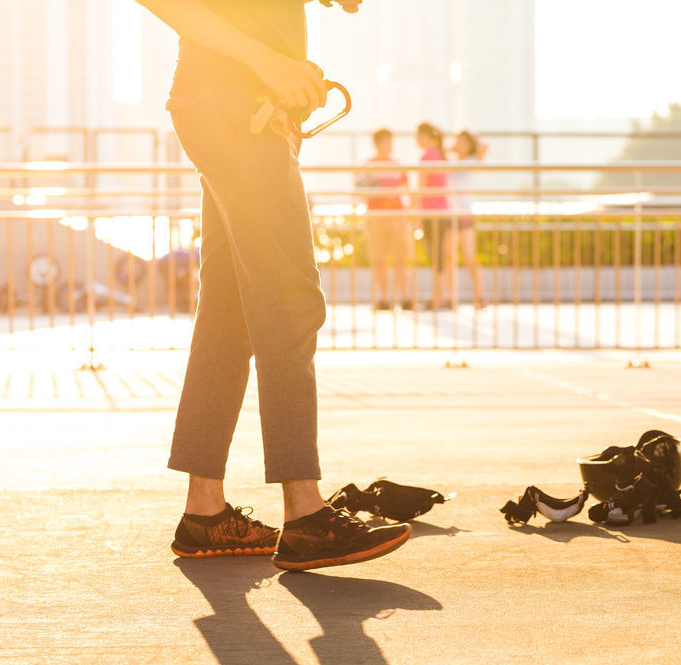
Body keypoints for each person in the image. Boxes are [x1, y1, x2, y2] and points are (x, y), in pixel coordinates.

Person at [136, 0, 411, 571]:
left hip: (237, 108)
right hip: (239, 106)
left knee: (229, 315)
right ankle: (306, 516)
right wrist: (270, 62)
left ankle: (204, 512)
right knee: (289, 304)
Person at [359, 128, 411, 310]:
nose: (390, 145)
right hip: (376, 218)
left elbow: (406, 189)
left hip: (396, 217)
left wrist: (406, 216)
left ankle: (405, 298)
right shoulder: (368, 165)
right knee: (379, 260)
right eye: (387, 141)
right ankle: (384, 299)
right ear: (378, 143)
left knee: (401, 259)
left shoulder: (398, 164)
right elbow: (360, 190)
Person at [450, 130, 489, 309]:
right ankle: (450, 297)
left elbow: (484, 149)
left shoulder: (471, 161)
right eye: (457, 141)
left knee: (469, 257)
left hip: (465, 213)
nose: (459, 145)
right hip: (449, 213)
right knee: (449, 257)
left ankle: (480, 295)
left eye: (463, 142)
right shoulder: (449, 161)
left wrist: (473, 139)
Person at [414, 122, 451, 310]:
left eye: (419, 135)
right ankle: (440, 296)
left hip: (430, 212)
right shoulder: (441, 155)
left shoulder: (428, 156)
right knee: (440, 257)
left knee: (435, 256)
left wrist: (415, 214)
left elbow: (421, 188)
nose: (416, 139)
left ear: (428, 136)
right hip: (442, 211)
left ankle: (438, 298)